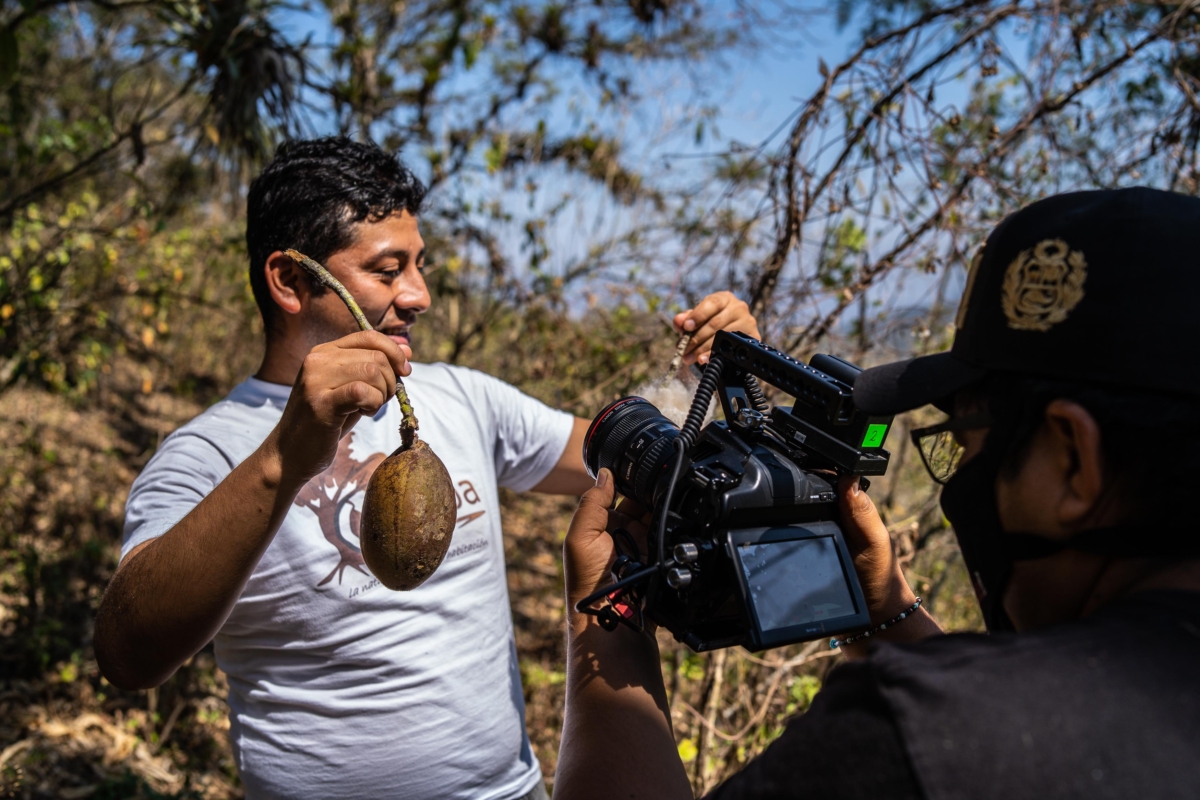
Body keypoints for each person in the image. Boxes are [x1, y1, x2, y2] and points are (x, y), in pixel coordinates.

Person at [93, 136, 761, 800]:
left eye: (420, 266)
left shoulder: (461, 397)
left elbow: (628, 458)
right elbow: (128, 655)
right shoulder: (208, 452)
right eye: (388, 270)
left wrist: (710, 380)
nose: (420, 296)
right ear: (290, 282)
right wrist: (281, 461)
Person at [553, 186, 1200, 799]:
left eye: (968, 444)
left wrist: (607, 615)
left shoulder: (912, 737)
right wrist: (884, 606)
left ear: (1073, 460)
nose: (962, 477)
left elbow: (973, 723)